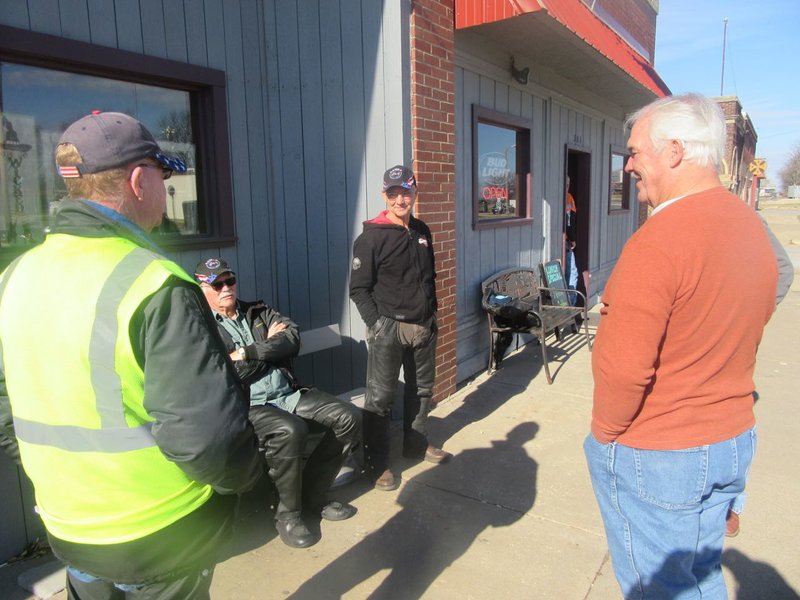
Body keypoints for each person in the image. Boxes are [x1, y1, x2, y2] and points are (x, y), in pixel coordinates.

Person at [0, 112, 262, 599]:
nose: (166, 191)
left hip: (68, 525)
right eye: (164, 177)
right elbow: (210, 439)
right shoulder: (156, 283)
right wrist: (246, 478)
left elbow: (5, 402)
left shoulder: (15, 276)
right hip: (162, 531)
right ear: (139, 180)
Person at [584, 94, 778, 599]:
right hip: (732, 440)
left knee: (665, 590)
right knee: (701, 577)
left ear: (673, 152)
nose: (628, 166)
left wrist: (605, 435)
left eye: (634, 152)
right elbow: (772, 285)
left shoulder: (659, 239)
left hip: (663, 452)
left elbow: (624, 370)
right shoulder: (749, 226)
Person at [195, 258, 362, 549]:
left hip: (288, 395)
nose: (225, 289)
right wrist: (269, 351)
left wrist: (246, 353)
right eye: (216, 284)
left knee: (347, 417)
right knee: (290, 430)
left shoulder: (257, 311)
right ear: (202, 287)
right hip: (248, 405)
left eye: (229, 281)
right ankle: (288, 515)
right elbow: (224, 374)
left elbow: (292, 340)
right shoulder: (203, 328)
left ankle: (314, 495)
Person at [349, 165, 450, 492]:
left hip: (423, 326)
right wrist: (378, 325)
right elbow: (359, 289)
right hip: (389, 328)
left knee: (422, 390)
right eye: (393, 194)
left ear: (414, 193)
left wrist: (432, 313)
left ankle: (416, 443)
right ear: (384, 196)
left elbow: (428, 277)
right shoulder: (371, 237)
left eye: (406, 192)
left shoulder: (422, 230)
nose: (400, 199)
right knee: (380, 398)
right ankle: (376, 462)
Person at [725, 216, 794, 537]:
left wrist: (756, 313)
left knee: (731, 418)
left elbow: (783, 268)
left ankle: (730, 504)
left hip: (732, 336)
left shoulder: (745, 219)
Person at [564, 175, 579, 306]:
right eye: (565, 183)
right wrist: (572, 239)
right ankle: (571, 306)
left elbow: (571, 220)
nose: (567, 186)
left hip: (565, 240)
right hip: (566, 242)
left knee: (569, 272)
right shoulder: (568, 198)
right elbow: (570, 221)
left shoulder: (569, 197)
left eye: (568, 183)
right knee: (572, 273)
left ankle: (569, 304)